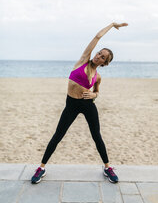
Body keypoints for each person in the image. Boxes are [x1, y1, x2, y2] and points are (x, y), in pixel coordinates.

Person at [31, 22, 128, 184]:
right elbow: (97, 37)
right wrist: (112, 25)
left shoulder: (98, 77)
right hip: (71, 105)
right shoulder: (83, 60)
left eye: (103, 57)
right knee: (58, 135)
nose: (98, 56)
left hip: (87, 105)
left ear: (105, 63)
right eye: (99, 53)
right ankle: (41, 168)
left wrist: (93, 95)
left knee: (97, 136)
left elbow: (97, 92)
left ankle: (107, 168)